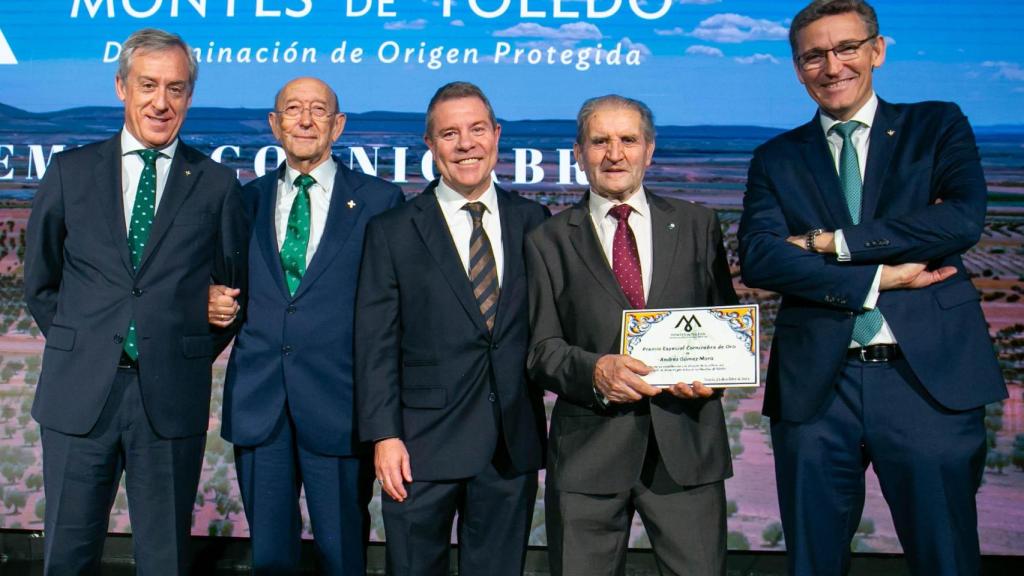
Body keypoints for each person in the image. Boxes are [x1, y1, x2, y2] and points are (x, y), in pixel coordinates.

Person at [737, 1, 1008, 574]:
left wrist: (827, 243)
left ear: (877, 52)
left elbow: (959, 221)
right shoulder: (776, 158)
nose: (832, 66)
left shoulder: (935, 126)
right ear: (797, 67)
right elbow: (760, 258)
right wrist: (881, 275)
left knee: (946, 557)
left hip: (927, 384)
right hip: (816, 393)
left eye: (847, 49)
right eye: (814, 55)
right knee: (814, 561)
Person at [23, 28, 249, 574]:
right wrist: (88, 343)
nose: (161, 102)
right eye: (148, 85)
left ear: (189, 97)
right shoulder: (70, 172)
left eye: (175, 88)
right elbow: (41, 283)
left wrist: (184, 339)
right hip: (80, 397)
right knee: (67, 555)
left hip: (169, 399)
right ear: (121, 86)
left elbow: (231, 293)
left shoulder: (217, 184)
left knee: (163, 558)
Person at [526, 95, 736, 576]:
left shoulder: (697, 224)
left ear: (650, 150)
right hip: (589, 454)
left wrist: (714, 377)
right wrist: (595, 371)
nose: (614, 154)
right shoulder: (547, 239)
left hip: (687, 445)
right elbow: (540, 350)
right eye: (600, 141)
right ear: (579, 153)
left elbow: (726, 326)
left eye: (628, 140)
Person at [207, 77, 404, 574]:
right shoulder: (244, 201)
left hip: (339, 406)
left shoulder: (381, 201)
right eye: (292, 109)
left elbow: (393, 311)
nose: (305, 119)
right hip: (260, 406)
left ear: (338, 125)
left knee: (343, 556)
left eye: (319, 110)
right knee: (270, 556)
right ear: (274, 124)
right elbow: (219, 282)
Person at [354, 81, 548, 576]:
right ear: (431, 145)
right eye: (450, 133)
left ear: (497, 135)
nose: (466, 144)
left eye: (477, 129)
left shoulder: (534, 222)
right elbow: (375, 344)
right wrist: (384, 436)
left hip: (509, 445)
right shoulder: (393, 230)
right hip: (419, 448)